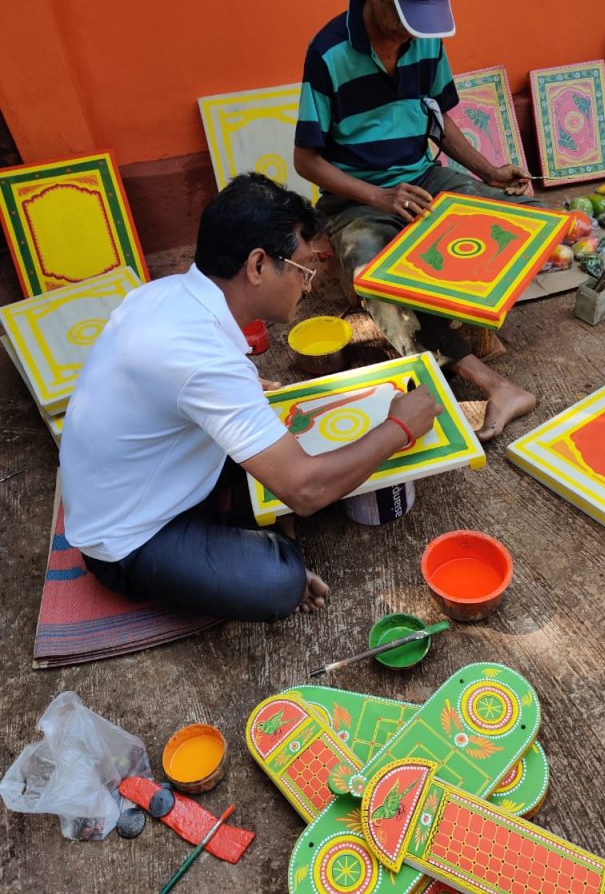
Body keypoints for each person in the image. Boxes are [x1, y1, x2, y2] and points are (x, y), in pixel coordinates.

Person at [59, 173, 441, 622]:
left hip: (141, 479)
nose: (310, 284)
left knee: (295, 445)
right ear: (258, 265)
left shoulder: (162, 295)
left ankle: (238, 522)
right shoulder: (201, 358)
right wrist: (399, 427)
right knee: (279, 581)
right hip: (130, 539)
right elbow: (305, 490)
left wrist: (236, 396)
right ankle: (245, 545)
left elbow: (171, 385)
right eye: (302, 268)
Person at [295, 0, 539, 442]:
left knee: (520, 220)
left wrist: (489, 172)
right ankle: (490, 382)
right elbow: (306, 160)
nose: (413, 31)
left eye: (423, 18)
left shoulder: (426, 37)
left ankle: (461, 316)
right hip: (356, 197)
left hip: (423, 177)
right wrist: (380, 198)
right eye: (405, 15)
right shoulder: (328, 53)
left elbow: (438, 118)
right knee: (376, 275)